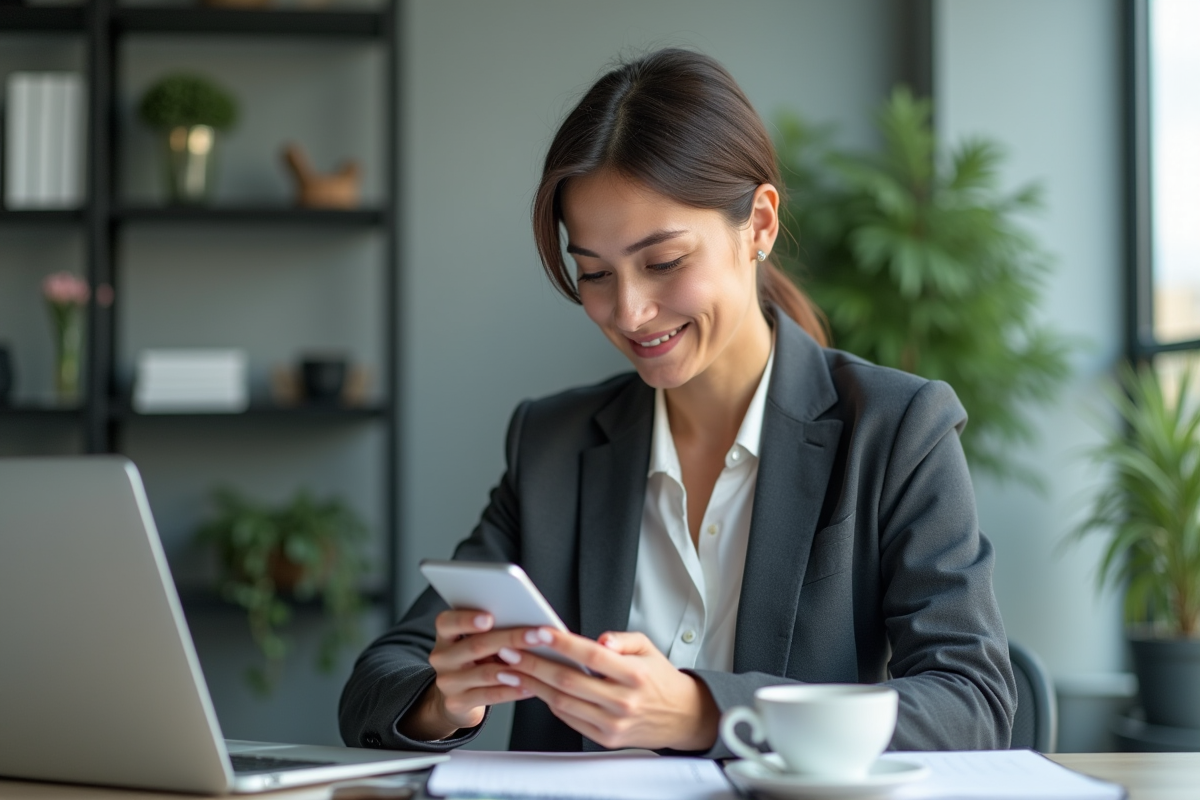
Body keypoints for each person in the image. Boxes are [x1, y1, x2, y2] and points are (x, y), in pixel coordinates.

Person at [339, 48, 1015, 757]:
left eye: (663, 263)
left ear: (758, 224)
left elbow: (972, 702)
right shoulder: (553, 445)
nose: (628, 311)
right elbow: (377, 685)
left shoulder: (896, 428)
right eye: (594, 273)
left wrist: (703, 711)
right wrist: (447, 697)